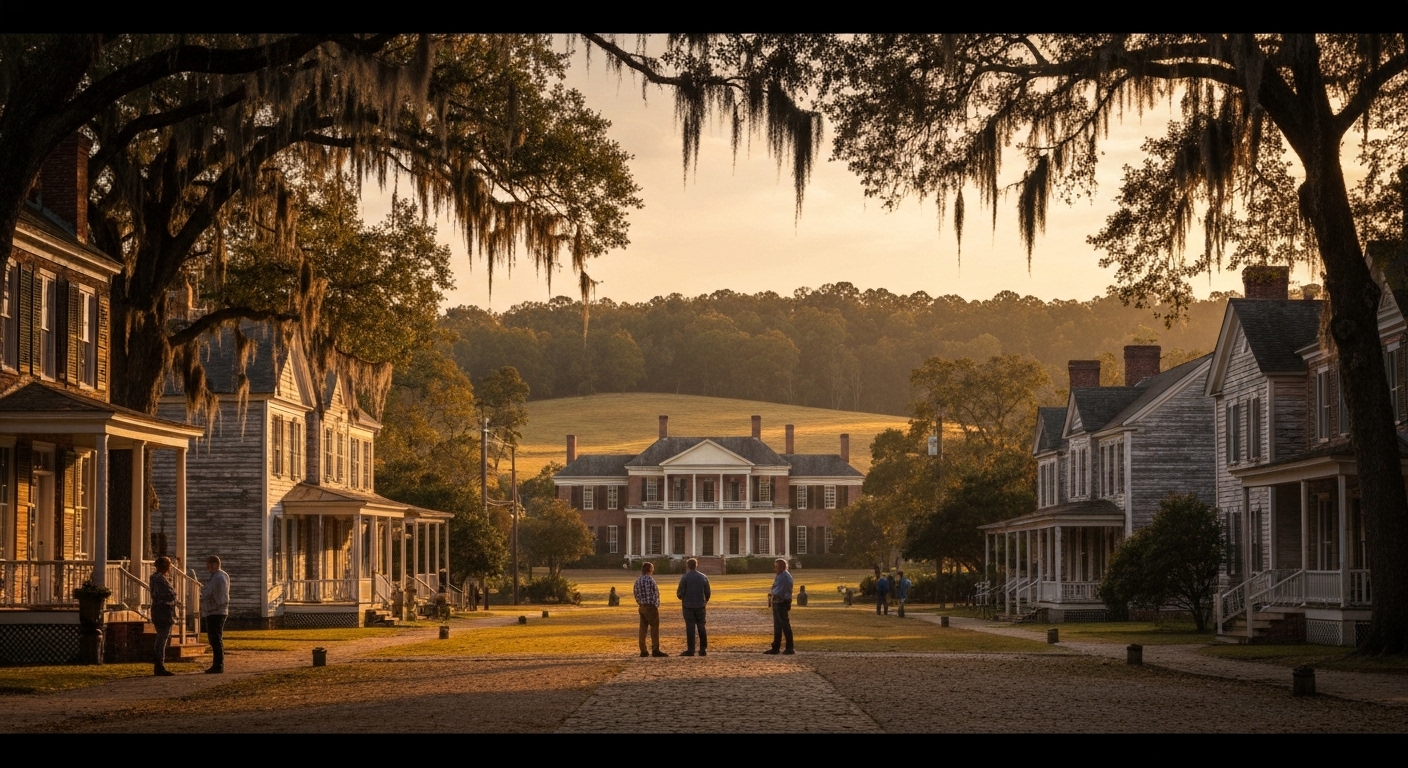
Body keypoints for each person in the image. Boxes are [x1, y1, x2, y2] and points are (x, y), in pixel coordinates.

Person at [676, 558, 711, 656]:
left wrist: (683, 598)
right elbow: (707, 593)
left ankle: (691, 650)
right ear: (696, 565)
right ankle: (703, 649)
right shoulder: (703, 577)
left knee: (690, 627)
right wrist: (704, 601)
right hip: (700, 605)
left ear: (688, 566)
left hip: (688, 606)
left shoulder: (685, 577)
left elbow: (679, 593)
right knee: (701, 627)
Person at [200, 555, 230, 673]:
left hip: (216, 611)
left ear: (217, 564)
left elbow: (218, 594)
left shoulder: (219, 577)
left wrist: (214, 603)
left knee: (215, 638)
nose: (210, 567)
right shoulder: (214, 577)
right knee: (213, 638)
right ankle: (216, 664)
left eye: (212, 564)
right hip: (212, 610)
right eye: (208, 565)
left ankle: (218, 665)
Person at [150, 556, 177, 676]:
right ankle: (159, 664)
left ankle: (159, 663)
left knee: (162, 637)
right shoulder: (159, 578)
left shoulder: (156, 578)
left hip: (158, 609)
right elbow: (170, 594)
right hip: (163, 610)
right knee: (162, 637)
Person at [633, 561, 667, 658]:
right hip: (651, 606)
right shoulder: (650, 580)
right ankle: (655, 650)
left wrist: (640, 603)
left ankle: (643, 650)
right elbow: (655, 593)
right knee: (654, 628)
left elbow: (636, 594)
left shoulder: (638, 581)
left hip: (642, 606)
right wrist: (656, 605)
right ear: (650, 570)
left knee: (642, 629)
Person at [764, 558, 794, 655]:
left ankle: (789, 648)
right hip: (778, 602)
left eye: (777, 567)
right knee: (778, 626)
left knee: (785, 626)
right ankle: (776, 647)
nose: (775, 568)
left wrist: (771, 593)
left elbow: (779, 591)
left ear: (781, 567)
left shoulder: (784, 576)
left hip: (781, 603)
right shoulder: (781, 575)